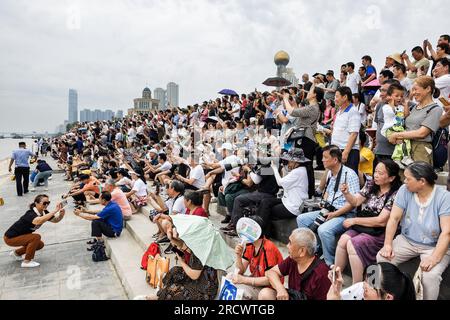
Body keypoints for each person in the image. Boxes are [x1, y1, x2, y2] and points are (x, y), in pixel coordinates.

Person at [377, 162, 450, 300]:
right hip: (407, 240)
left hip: (434, 246)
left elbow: (447, 232)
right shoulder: (404, 190)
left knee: (429, 276)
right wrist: (387, 244)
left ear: (422, 181)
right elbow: (394, 218)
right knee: (381, 257)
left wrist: (434, 258)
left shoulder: (444, 197)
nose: (404, 181)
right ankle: (383, 295)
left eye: (408, 178)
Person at [335, 159, 401, 284]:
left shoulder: (396, 193)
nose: (376, 175)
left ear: (391, 178)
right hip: (365, 225)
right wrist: (347, 193)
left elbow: (381, 221)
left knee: (354, 244)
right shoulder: (371, 184)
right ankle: (336, 278)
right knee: (343, 239)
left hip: (381, 231)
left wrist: (354, 220)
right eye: (375, 171)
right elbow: (355, 202)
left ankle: (358, 286)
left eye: (380, 173)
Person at [296, 146, 359, 266]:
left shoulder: (349, 175)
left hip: (345, 214)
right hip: (330, 210)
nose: (322, 160)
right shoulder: (331, 173)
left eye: (325, 157)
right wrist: (324, 204)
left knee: (323, 230)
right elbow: (328, 193)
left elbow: (353, 204)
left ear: (335, 160)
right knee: (301, 219)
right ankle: (316, 249)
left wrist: (334, 214)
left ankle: (329, 262)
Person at [259, 228, 331, 300]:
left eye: (290, 243)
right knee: (265, 294)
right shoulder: (293, 260)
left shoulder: (322, 274)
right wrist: (280, 288)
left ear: (302, 251)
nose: (287, 246)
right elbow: (270, 272)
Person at [387, 76, 443, 165]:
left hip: (420, 150)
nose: (413, 93)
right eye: (412, 90)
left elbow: (422, 133)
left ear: (428, 89)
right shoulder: (413, 108)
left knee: (418, 177)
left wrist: (397, 135)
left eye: (415, 89)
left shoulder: (435, 109)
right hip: (405, 148)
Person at [256, 149, 309, 235]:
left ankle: (262, 234)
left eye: (288, 161)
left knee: (265, 209)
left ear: (295, 161)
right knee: (265, 202)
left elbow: (279, 182)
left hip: (292, 205)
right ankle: (263, 232)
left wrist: (274, 168)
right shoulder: (300, 170)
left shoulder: (298, 172)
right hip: (287, 200)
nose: (287, 163)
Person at [4, 194, 66, 268]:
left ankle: (16, 253)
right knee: (36, 237)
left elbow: (56, 220)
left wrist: (61, 215)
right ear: (36, 203)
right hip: (10, 238)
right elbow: (38, 221)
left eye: (48, 203)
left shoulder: (44, 211)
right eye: (44, 203)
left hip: (20, 236)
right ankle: (27, 262)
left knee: (40, 244)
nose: (46, 205)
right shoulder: (30, 213)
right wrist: (55, 211)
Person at [230, 216, 284, 300]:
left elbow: (270, 279)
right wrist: (238, 256)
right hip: (256, 282)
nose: (245, 230)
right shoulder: (249, 244)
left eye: (249, 229)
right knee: (230, 276)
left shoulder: (268, 248)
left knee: (263, 294)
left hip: (269, 288)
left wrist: (243, 280)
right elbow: (240, 271)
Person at [327, 262, 416, 300]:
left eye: (370, 285)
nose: (364, 285)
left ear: (388, 297)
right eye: (365, 280)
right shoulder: (360, 289)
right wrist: (337, 291)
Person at [331, 86, 361, 174]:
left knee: (348, 180)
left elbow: (354, 134)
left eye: (337, 96)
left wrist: (346, 152)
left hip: (348, 151)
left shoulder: (353, 111)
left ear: (345, 97)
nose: (335, 99)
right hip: (337, 149)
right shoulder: (339, 111)